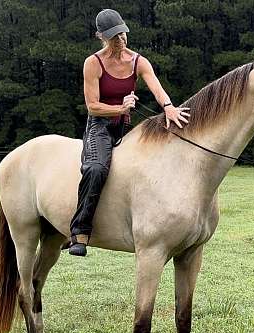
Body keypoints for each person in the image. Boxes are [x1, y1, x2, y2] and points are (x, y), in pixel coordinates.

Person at [68, 8, 191, 256]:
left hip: (124, 127)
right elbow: (92, 106)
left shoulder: (138, 61)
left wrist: (168, 108)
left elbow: (156, 87)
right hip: (99, 127)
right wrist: (119, 107)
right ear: (100, 36)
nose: (120, 40)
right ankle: (79, 231)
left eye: (122, 34)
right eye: (114, 37)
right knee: (96, 168)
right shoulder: (93, 63)